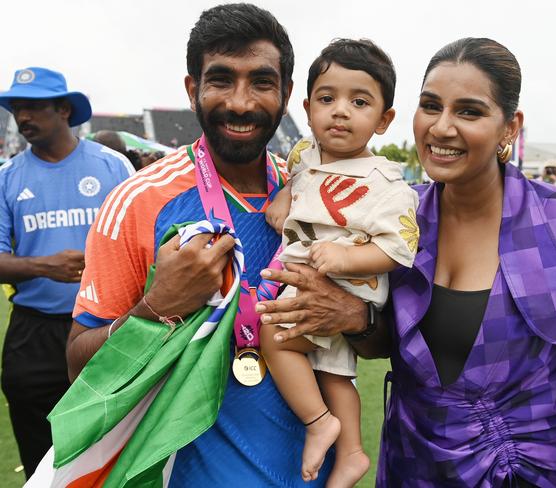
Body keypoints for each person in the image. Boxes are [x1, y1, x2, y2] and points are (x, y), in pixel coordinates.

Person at [258, 37, 556, 486]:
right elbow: (383, 346)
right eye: (430, 106)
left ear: (509, 126)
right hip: (411, 468)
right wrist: (355, 317)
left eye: (469, 111)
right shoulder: (397, 217)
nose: (442, 127)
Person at [66, 4, 337, 486]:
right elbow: (78, 368)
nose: (239, 102)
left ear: (287, 94)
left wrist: (355, 316)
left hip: (315, 472)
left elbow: (373, 335)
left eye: (261, 81)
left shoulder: (312, 194)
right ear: (193, 90)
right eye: (221, 80)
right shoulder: (138, 200)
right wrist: (156, 308)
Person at [262, 39, 418, 486]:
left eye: (359, 101)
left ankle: (318, 423)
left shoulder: (387, 184)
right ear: (308, 108)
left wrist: (348, 257)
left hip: (346, 283)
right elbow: (303, 176)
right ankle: (351, 453)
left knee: (275, 336)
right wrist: (286, 195)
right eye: (327, 99)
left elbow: (396, 251)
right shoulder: (304, 156)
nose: (340, 111)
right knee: (333, 373)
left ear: (384, 119)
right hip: (312, 274)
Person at [0, 67, 134, 478]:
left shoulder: (114, 166)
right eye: (17, 107)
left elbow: (145, 244)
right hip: (34, 332)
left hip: (105, 328)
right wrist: (44, 266)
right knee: (42, 457)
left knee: (114, 449)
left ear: (63, 109)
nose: (23, 117)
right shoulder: (6, 177)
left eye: (34, 106)